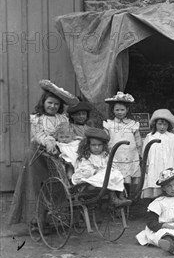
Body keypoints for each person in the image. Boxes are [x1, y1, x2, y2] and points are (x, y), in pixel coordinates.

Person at [8, 80, 75, 225]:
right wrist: (49, 141)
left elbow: (65, 133)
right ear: (43, 102)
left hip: (56, 153)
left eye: (56, 104)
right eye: (50, 103)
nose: (52, 106)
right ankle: (36, 220)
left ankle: (57, 217)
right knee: (36, 185)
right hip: (37, 154)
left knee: (58, 182)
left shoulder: (62, 119)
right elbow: (39, 135)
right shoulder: (37, 118)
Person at [136, 168, 174, 255]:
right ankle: (171, 246)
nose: (173, 188)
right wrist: (164, 225)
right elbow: (151, 222)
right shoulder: (159, 202)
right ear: (163, 188)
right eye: (169, 186)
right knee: (165, 235)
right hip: (164, 228)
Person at [71, 127, 132, 207]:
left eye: (99, 145)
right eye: (93, 145)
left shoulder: (105, 155)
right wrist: (96, 171)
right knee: (105, 177)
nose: (97, 147)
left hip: (104, 179)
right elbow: (85, 171)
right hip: (89, 182)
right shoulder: (86, 157)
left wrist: (110, 170)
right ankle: (114, 199)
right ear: (87, 145)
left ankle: (120, 196)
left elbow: (113, 165)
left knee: (116, 175)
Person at [103, 92, 143, 195]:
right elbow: (105, 139)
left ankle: (128, 195)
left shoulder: (132, 124)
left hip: (130, 154)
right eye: (117, 110)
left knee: (128, 176)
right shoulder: (109, 124)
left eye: (122, 110)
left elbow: (138, 140)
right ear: (113, 110)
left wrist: (139, 152)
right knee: (116, 175)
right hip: (115, 154)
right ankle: (117, 195)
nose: (120, 112)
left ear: (127, 110)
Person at [141, 109, 174, 199]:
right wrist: (146, 165)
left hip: (168, 164)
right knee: (155, 183)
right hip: (155, 166)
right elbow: (145, 152)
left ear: (168, 125)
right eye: (159, 124)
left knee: (169, 183)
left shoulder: (172, 137)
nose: (162, 127)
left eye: (165, 124)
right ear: (155, 124)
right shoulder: (150, 137)